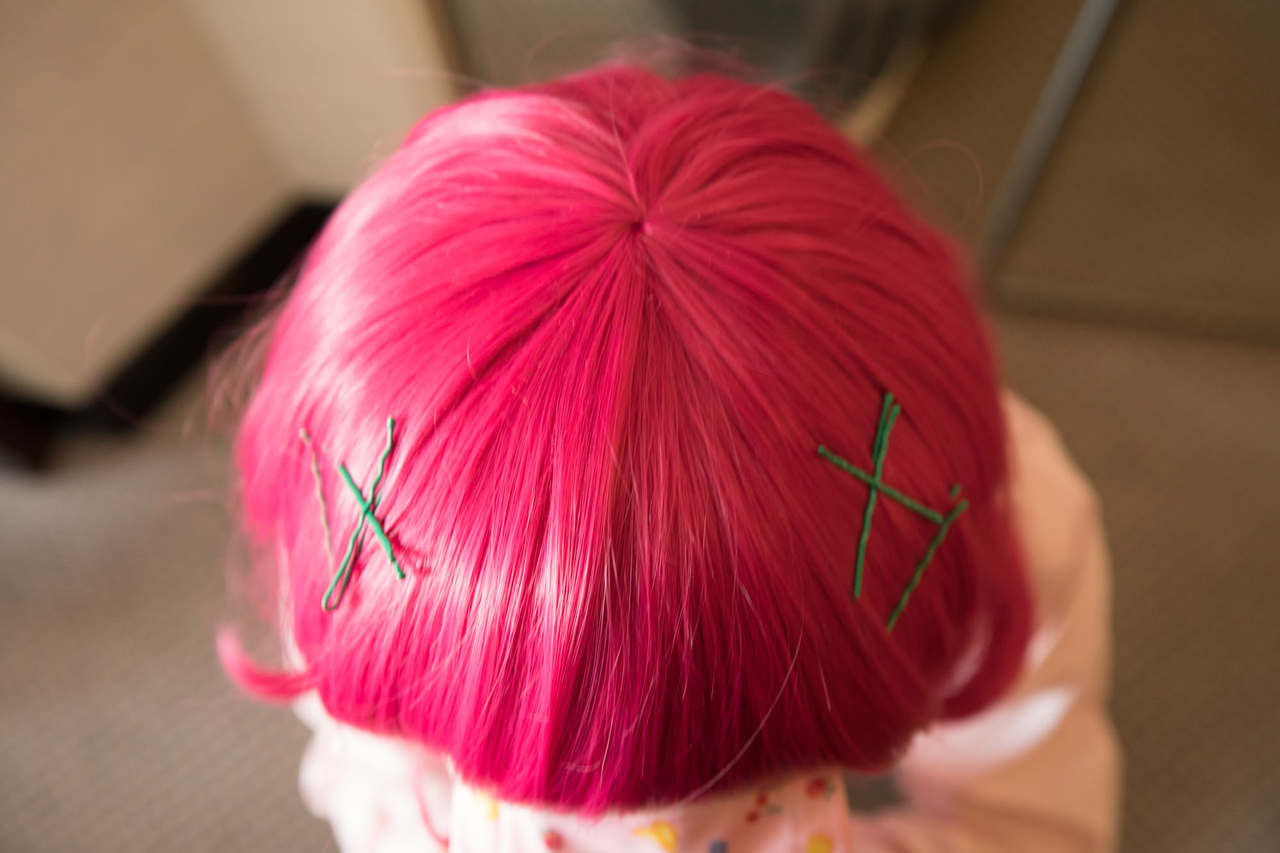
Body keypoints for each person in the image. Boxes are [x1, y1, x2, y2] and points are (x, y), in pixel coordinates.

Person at [219, 63, 1119, 851]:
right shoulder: (364, 506)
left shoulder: (988, 525)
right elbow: (362, 766)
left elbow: (1030, 830)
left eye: (730, 780)